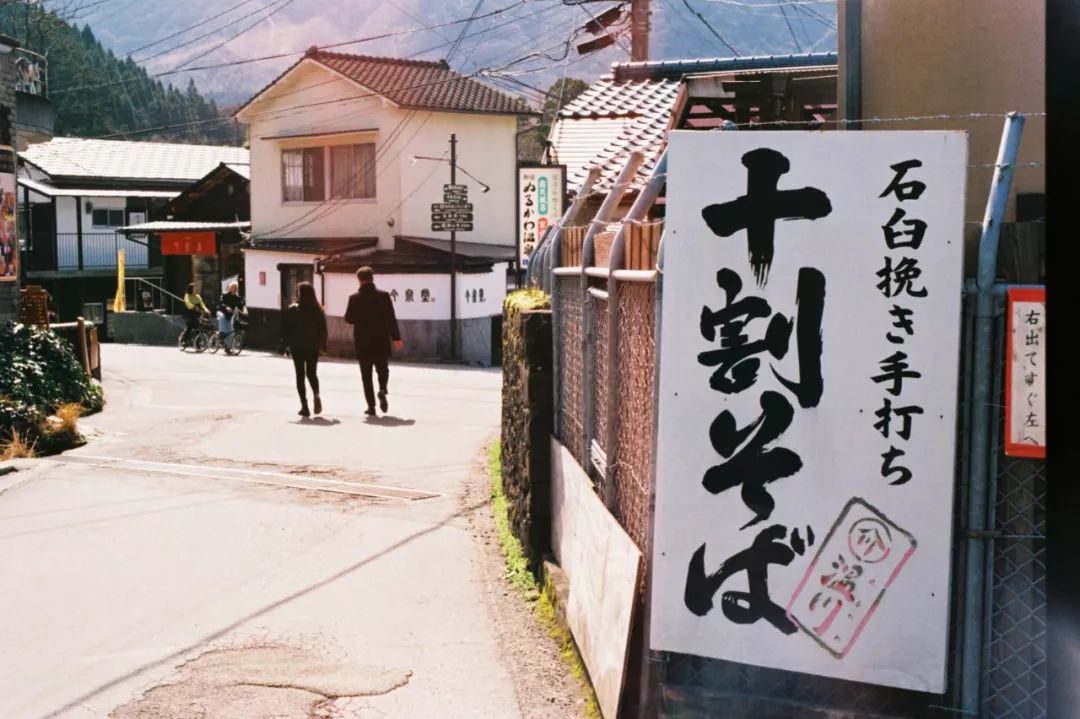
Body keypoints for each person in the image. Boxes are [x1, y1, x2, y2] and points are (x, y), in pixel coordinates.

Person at [344, 266, 403, 416]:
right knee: (383, 369)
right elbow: (391, 318)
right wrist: (396, 338)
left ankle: (371, 407)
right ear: (372, 278)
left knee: (366, 376)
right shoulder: (384, 296)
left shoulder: (354, 298)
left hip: (363, 342)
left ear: (359, 280)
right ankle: (382, 389)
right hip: (381, 340)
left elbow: (349, 319)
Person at [281, 282, 328, 418]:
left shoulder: (293, 309)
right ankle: (317, 395)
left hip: (297, 346)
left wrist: (285, 345)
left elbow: (287, 330)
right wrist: (323, 346)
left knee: (300, 375)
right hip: (312, 346)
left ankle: (304, 406)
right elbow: (323, 330)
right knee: (312, 373)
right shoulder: (318, 310)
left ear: (299, 294)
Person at [181, 282, 210, 347]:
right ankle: (184, 340)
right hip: (188, 315)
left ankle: (197, 343)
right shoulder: (187, 295)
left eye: (196, 288)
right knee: (190, 327)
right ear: (191, 289)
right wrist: (194, 307)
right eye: (194, 288)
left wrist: (206, 310)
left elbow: (202, 305)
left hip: (196, 315)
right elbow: (187, 303)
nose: (196, 289)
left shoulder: (198, 296)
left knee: (198, 328)